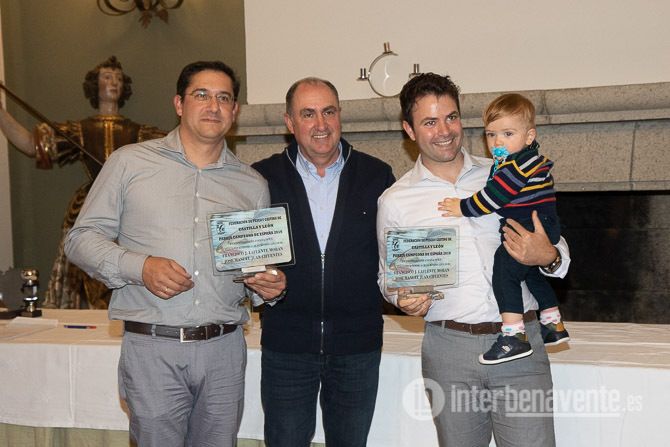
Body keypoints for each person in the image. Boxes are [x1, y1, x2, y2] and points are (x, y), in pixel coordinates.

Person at [64, 60, 287, 447]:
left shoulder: (251, 184)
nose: (213, 106)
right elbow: (80, 238)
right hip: (153, 348)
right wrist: (141, 266)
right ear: (179, 104)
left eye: (224, 98)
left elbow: (254, 269)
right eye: (201, 95)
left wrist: (270, 285)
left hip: (224, 351)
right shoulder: (129, 163)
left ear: (234, 111)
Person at [377, 73, 570, 446]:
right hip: (448, 350)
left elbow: (555, 245)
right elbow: (388, 277)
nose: (444, 131)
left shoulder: (503, 172)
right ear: (409, 129)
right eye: (429, 122)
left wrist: (547, 255)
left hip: (520, 346)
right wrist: (402, 298)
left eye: (451, 117)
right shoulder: (396, 200)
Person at [252, 77, 395, 447]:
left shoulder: (377, 175)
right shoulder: (260, 178)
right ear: (290, 122)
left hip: (357, 346)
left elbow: (393, 256)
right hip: (287, 346)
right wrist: (258, 280)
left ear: (340, 115)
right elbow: (245, 257)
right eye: (308, 114)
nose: (321, 124)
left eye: (329, 112)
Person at [0, 56, 165, 309]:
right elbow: (32, 144)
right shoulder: (79, 131)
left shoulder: (140, 133)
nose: (114, 82)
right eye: (107, 77)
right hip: (89, 205)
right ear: (95, 86)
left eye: (118, 78)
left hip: (130, 207)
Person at [438, 93, 570, 365]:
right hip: (540, 223)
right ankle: (552, 322)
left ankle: (513, 335)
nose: (498, 142)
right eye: (491, 134)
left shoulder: (517, 166)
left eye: (508, 134)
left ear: (529, 136)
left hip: (530, 226)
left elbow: (493, 198)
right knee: (530, 274)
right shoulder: (523, 161)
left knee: (503, 271)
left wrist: (462, 207)